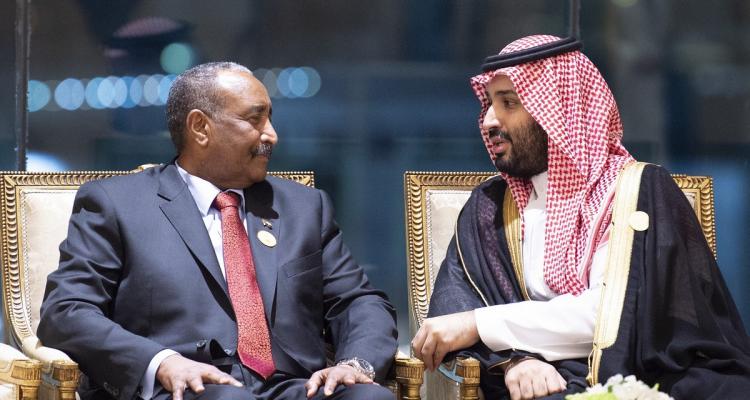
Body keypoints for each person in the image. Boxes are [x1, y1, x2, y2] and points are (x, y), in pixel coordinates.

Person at [411, 35, 750, 400]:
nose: (490, 120)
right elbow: (453, 308)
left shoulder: (635, 192)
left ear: (558, 110)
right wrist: (516, 361)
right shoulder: (490, 206)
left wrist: (480, 324)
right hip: (547, 380)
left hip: (646, 371)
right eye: (489, 104)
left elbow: (608, 316)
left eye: (509, 103)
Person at [38, 62, 397, 400]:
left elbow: (359, 301)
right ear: (200, 127)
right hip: (181, 389)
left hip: (294, 388)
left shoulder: (304, 207)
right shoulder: (117, 204)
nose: (271, 135)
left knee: (369, 396)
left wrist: (355, 364)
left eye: (270, 118)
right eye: (254, 119)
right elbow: (67, 311)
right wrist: (161, 362)